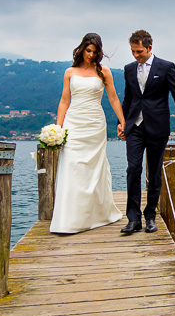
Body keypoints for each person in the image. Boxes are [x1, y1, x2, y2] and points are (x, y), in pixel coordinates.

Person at [50, 33, 126, 234]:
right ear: (82, 49)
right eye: (88, 51)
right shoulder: (69, 72)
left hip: (94, 123)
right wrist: (58, 128)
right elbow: (64, 101)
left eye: (94, 52)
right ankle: (69, 218)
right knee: (72, 165)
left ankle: (95, 214)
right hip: (73, 123)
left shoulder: (104, 72)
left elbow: (114, 99)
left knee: (93, 167)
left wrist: (123, 121)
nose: (91, 55)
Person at [118, 30, 175, 234]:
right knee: (133, 169)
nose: (135, 55)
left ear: (150, 47)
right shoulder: (129, 69)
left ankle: (150, 216)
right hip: (135, 128)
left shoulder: (166, 67)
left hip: (157, 127)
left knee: (155, 172)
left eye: (139, 51)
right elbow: (128, 99)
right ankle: (133, 219)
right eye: (132, 51)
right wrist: (121, 123)